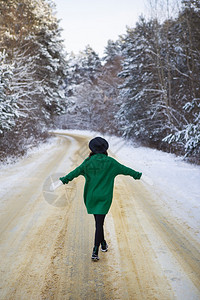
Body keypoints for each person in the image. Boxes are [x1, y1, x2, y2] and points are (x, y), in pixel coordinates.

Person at [59, 137, 142, 261]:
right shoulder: (111, 162)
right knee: (99, 223)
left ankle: (102, 244)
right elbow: (126, 170)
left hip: (91, 197)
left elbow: (75, 172)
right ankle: (95, 250)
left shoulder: (88, 162)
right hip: (104, 197)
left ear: (92, 149)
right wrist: (137, 174)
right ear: (105, 149)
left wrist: (65, 179)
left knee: (98, 223)